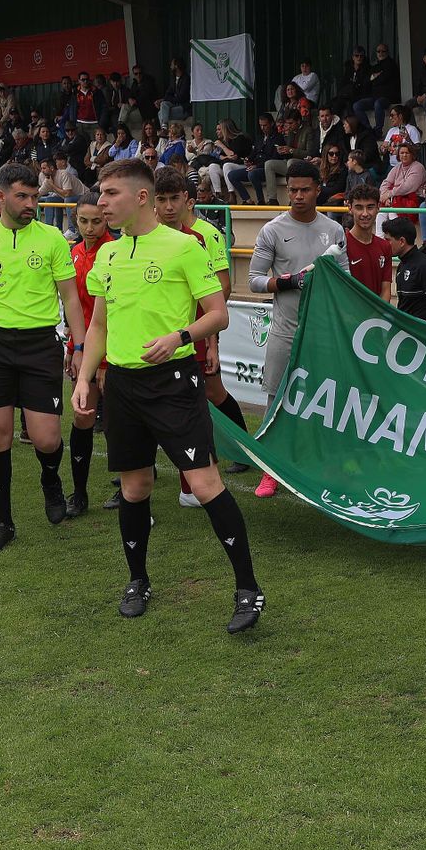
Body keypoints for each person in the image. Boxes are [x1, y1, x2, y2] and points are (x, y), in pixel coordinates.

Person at [75, 159, 265, 632]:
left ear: (142, 197)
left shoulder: (184, 247)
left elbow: (218, 314)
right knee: (134, 487)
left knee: (204, 486)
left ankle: (248, 588)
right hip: (121, 384)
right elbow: (99, 323)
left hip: (173, 382)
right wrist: (85, 376)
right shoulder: (109, 255)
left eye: (111, 194)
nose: (102, 203)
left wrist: (179, 337)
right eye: (101, 193)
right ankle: (137, 580)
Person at [0, 163, 86, 554]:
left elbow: (70, 297)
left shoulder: (53, 237)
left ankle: (50, 478)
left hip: (40, 344)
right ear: (1, 196)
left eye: (35, 197)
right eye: (22, 196)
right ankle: (3, 522)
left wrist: (79, 347)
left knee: (46, 437)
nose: (30, 204)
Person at [246, 159, 350, 498]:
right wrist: (289, 281)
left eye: (305, 189)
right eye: (292, 190)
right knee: (276, 403)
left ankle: (322, 468)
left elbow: (345, 278)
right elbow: (254, 282)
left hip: (322, 334)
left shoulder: (333, 231)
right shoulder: (272, 230)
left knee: (325, 403)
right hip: (285, 333)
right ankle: (270, 471)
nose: (298, 196)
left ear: (317, 190)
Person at [152, 167, 252, 484]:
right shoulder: (142, 237)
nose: (168, 206)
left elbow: (221, 288)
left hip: (196, 331)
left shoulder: (205, 236)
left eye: (174, 199)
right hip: (160, 334)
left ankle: (242, 450)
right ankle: (143, 467)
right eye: (162, 199)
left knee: (212, 391)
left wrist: (211, 340)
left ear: (187, 200)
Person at [65, 195, 109, 516]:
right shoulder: (75, 254)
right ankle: (79, 494)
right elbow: (76, 311)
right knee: (82, 417)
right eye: (84, 221)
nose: (90, 228)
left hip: (116, 351)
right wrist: (73, 347)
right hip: (83, 349)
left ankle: (132, 485)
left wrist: (105, 361)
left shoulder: (116, 252)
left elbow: (109, 314)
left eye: (96, 221)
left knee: (122, 423)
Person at [383, 217, 426, 325]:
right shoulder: (402, 265)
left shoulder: (425, 266)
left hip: (424, 336)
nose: (385, 244)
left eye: (388, 240)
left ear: (402, 241)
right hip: (406, 334)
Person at [343, 185, 394, 301]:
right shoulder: (341, 246)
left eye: (370, 207)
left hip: (376, 316)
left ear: (378, 207)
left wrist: (378, 317)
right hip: (349, 316)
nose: (365, 213)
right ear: (350, 208)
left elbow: (386, 290)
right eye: (359, 207)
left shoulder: (385, 246)